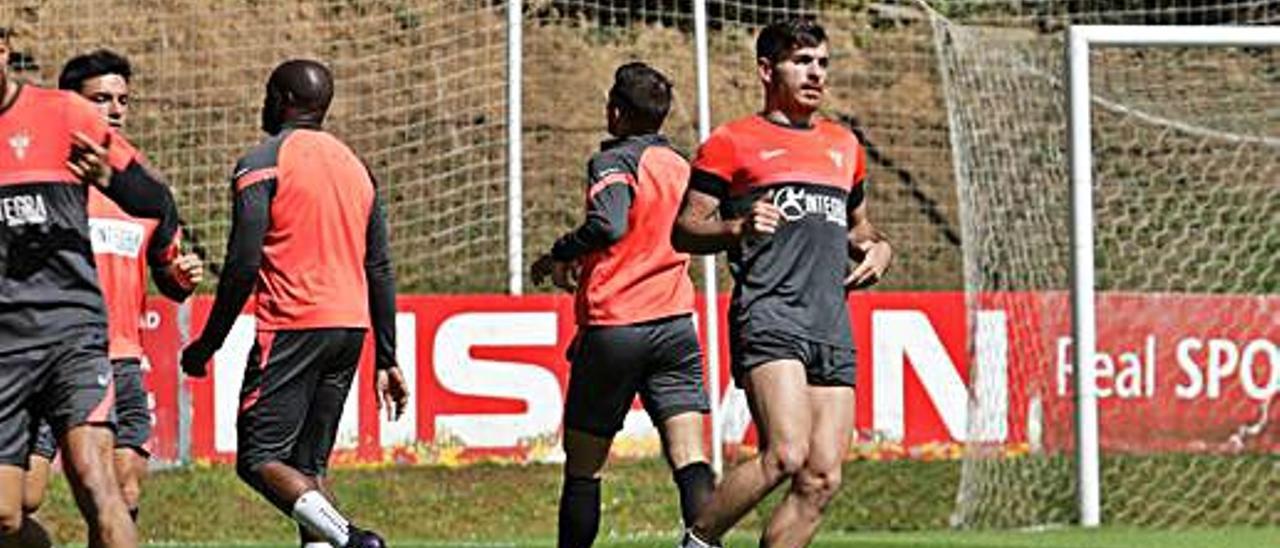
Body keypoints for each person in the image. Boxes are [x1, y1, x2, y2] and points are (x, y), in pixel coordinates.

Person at [672, 19, 893, 548]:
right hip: (770, 313)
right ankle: (698, 542)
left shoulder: (844, 145)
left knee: (821, 477)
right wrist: (734, 227)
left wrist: (880, 249)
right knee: (786, 453)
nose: (815, 73)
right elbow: (685, 229)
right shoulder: (731, 142)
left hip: (830, 323)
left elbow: (861, 228)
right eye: (802, 61)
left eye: (822, 62)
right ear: (767, 70)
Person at [179, 59, 408, 548]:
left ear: (281, 99)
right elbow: (380, 268)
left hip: (294, 324)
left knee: (259, 459)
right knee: (306, 469)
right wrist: (387, 356)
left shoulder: (261, 163)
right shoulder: (357, 168)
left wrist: (208, 344)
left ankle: (354, 541)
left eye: (267, 94)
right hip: (351, 329)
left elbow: (242, 264)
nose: (262, 104)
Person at [0, 25, 183, 548]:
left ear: (4, 49)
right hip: (6, 344)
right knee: (8, 516)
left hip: (72, 334)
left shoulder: (64, 114)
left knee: (99, 483)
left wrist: (109, 177)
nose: (115, 106)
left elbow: (154, 200)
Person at [530, 62, 715, 548]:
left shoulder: (613, 162)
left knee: (584, 469)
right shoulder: (681, 166)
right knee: (690, 459)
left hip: (617, 328)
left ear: (616, 111)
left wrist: (562, 251)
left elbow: (609, 224)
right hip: (675, 325)